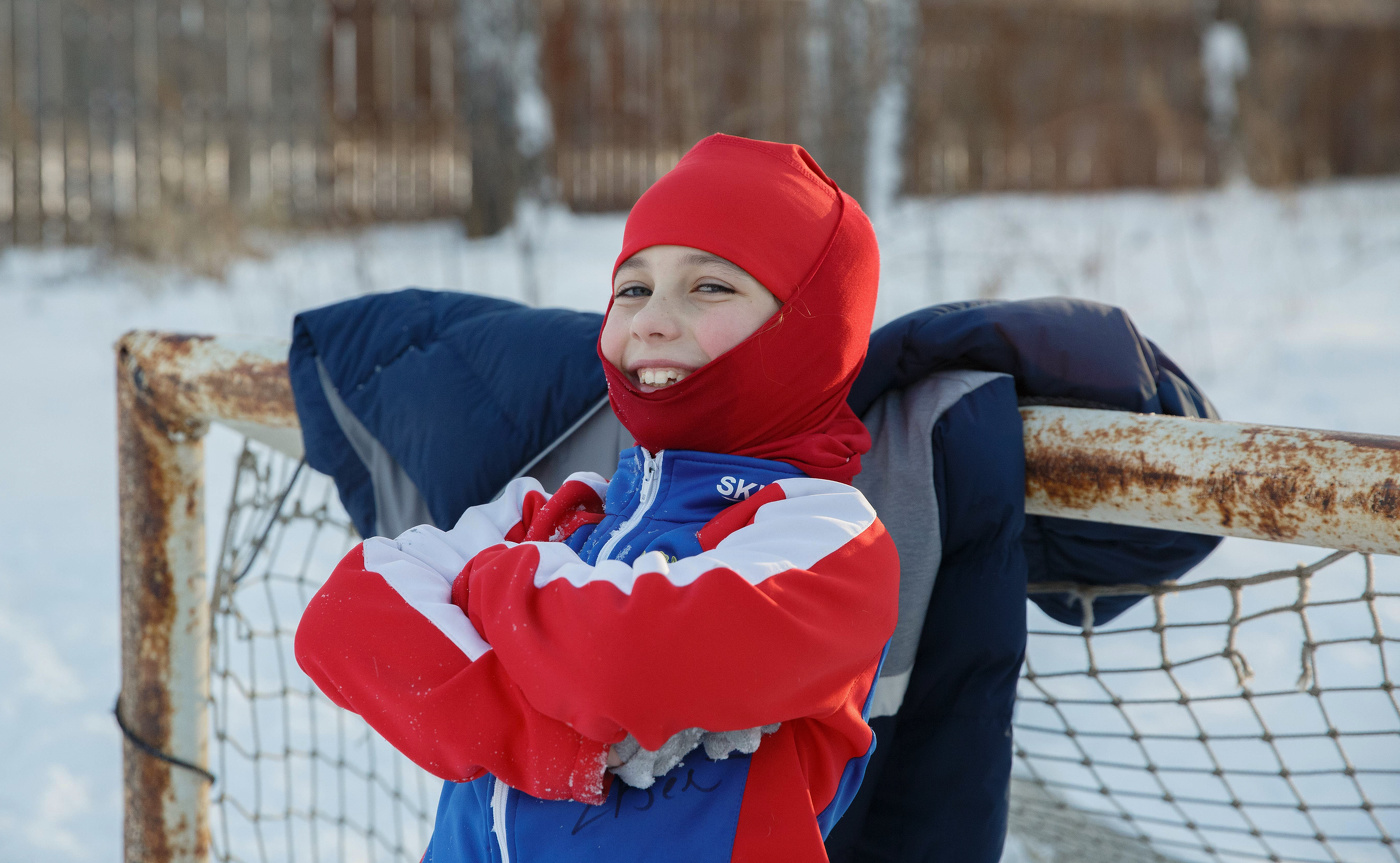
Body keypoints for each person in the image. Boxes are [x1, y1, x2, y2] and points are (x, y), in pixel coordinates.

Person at [295, 134, 903, 862]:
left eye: (710, 286)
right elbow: (345, 617)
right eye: (633, 288)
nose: (650, 318)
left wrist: (488, 585)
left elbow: (629, 661)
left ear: (806, 330)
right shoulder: (561, 510)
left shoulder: (829, 541)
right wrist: (553, 740)